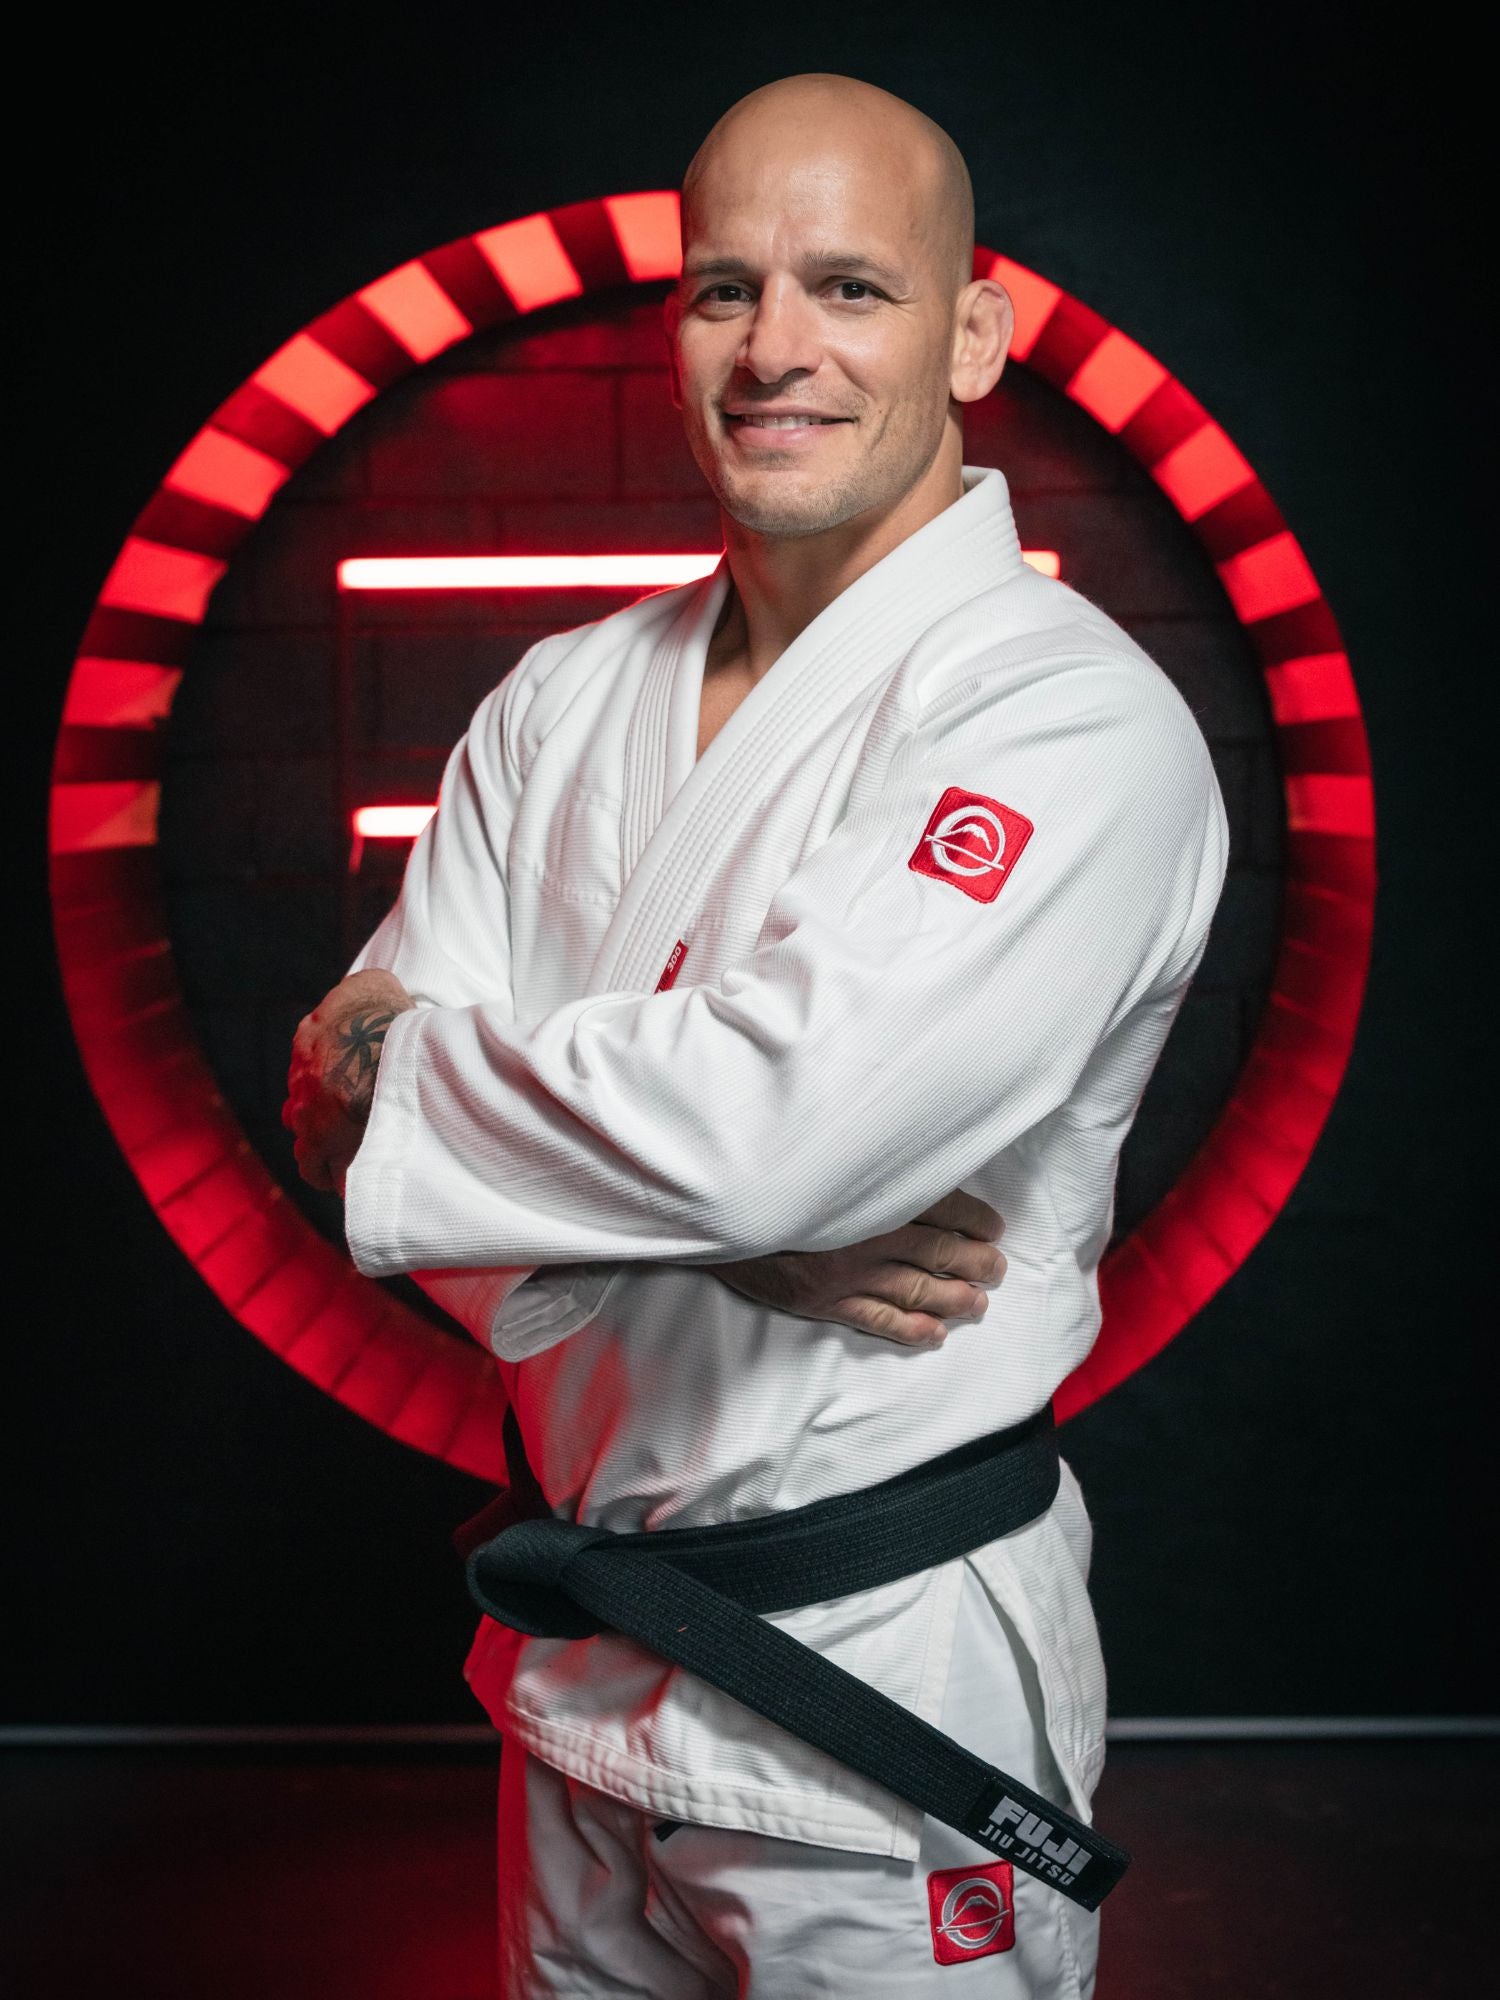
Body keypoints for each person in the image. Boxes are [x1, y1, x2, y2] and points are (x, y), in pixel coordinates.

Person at [284, 71, 1227, 1998]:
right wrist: (734, 1230)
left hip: (878, 1658)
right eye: (727, 290)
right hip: (580, 1659)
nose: (776, 349)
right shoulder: (557, 701)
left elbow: (769, 1128)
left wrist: (496, 1114)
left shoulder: (1064, 720)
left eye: (852, 289)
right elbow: (328, 1113)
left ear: (973, 333)